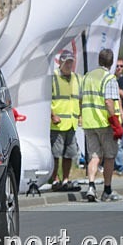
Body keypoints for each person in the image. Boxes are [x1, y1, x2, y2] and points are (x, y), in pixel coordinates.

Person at [80, 48, 123, 202]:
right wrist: (116, 123)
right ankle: (107, 189)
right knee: (109, 156)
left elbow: (81, 98)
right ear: (111, 62)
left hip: (88, 122)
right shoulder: (109, 78)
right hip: (104, 123)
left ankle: (91, 186)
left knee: (94, 156)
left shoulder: (87, 77)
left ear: (99, 60)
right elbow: (109, 102)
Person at [48, 49, 82, 192]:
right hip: (58, 123)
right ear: (60, 62)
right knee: (56, 155)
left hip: (72, 123)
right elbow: (46, 100)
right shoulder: (53, 78)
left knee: (69, 154)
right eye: (66, 62)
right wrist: (52, 115)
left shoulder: (77, 78)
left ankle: (66, 179)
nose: (69, 65)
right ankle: (55, 179)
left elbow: (79, 99)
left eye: (71, 62)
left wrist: (80, 115)